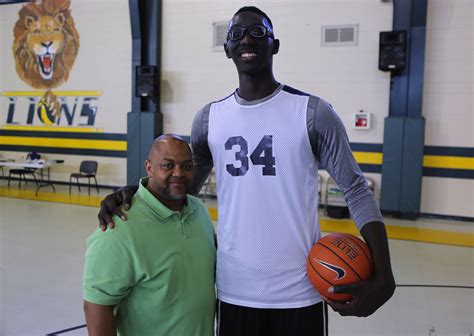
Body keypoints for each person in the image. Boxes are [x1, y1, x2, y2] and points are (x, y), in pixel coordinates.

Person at [98, 6, 395, 336]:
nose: (245, 40)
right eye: (235, 34)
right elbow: (179, 187)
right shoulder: (209, 119)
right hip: (235, 291)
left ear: (275, 44)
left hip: (299, 292)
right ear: (227, 49)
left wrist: (384, 274)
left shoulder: (312, 113)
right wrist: (132, 194)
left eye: (257, 32)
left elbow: (355, 189)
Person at [83, 134, 216, 336]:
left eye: (186, 166)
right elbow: (97, 305)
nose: (178, 173)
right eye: (167, 165)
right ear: (149, 168)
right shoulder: (119, 229)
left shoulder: (199, 211)